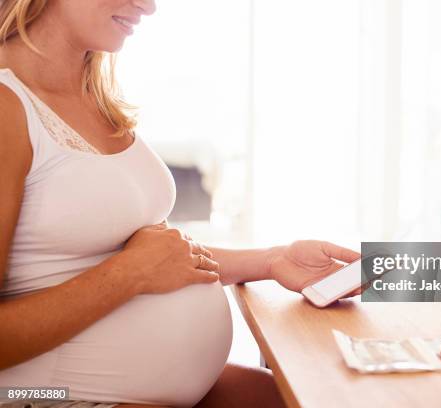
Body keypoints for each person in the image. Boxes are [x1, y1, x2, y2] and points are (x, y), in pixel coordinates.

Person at [0, 1, 360, 407]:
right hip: (43, 396)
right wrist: (128, 274)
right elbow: (136, 266)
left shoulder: (91, 96)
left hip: (148, 389)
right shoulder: (6, 106)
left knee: (320, 396)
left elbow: (157, 257)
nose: (148, 6)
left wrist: (272, 260)